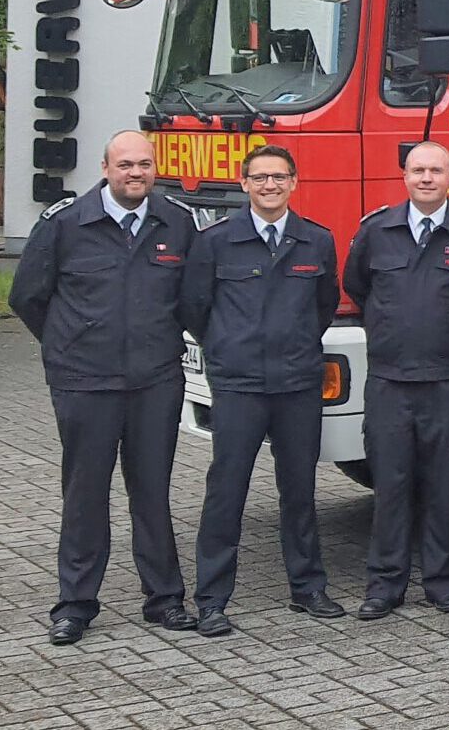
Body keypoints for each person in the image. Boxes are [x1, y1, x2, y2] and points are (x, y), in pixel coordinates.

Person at [9, 130, 199, 645]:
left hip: (155, 380)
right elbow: (27, 296)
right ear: (105, 167)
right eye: (124, 165)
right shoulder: (66, 223)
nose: (134, 173)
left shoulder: (177, 223)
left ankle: (165, 598)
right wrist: (68, 345)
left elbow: (191, 300)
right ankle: (75, 604)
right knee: (85, 493)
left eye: (143, 165)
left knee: (153, 492)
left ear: (153, 168)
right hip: (85, 382)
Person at [181, 144, 343, 637]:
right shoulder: (215, 242)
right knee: (226, 492)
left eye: (279, 177)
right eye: (260, 178)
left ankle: (308, 587)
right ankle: (211, 599)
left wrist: (292, 347)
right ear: (244, 183)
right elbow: (194, 308)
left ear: (294, 182)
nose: (270, 185)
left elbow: (324, 305)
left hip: (296, 383)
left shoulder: (316, 240)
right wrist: (230, 348)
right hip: (240, 384)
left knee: (299, 490)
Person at [341, 141, 449, 620]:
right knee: (391, 484)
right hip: (390, 382)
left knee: (445, 485)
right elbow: (357, 285)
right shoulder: (376, 231)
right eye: (418, 170)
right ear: (404, 175)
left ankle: (444, 583)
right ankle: (384, 584)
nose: (426, 178)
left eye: (436, 171)